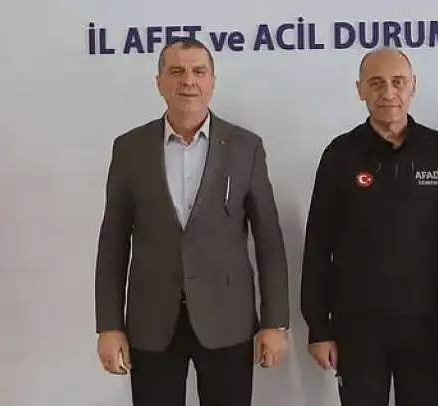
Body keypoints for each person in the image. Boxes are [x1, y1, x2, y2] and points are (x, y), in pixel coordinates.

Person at [94, 37, 290, 406]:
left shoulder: (245, 147)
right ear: (159, 82)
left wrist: (275, 322)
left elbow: (269, 240)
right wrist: (109, 326)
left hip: (227, 320)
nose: (188, 81)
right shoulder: (130, 148)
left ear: (212, 81)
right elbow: (113, 243)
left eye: (199, 71)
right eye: (177, 71)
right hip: (152, 322)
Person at [300, 47, 438, 406]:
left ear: (413, 86)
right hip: (357, 326)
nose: (388, 92)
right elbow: (318, 246)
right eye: (376, 83)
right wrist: (319, 327)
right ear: (360, 89)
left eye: (398, 82)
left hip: (427, 324)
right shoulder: (340, 154)